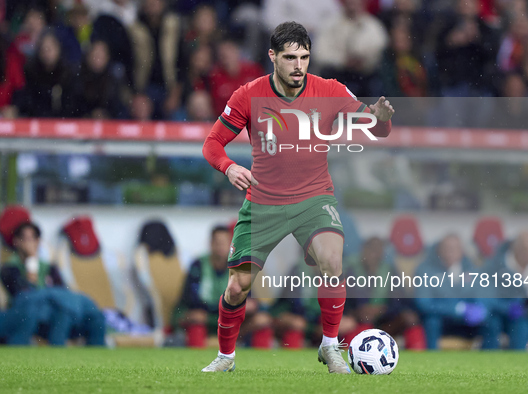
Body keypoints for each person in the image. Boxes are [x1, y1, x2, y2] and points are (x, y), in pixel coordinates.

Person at [201, 21, 394, 373]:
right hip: (263, 203)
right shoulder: (248, 95)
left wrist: (382, 120)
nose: (298, 66)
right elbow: (212, 144)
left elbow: (375, 126)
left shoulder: (330, 90)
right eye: (290, 57)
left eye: (304, 57)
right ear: (272, 56)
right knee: (236, 288)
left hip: (313, 198)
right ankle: (226, 357)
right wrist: (229, 167)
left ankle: (329, 346)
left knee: (333, 263)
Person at [0, 222, 105, 346]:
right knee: (63, 313)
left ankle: (97, 359)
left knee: (95, 316)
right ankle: (58, 355)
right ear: (17, 241)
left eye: (34, 238)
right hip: (31, 318)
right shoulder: (9, 268)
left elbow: (62, 293)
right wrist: (31, 263)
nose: (31, 243)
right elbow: (22, 295)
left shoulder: (49, 267)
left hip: (56, 315)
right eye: (26, 239)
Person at [174, 225, 273, 349]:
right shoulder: (198, 265)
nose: (221, 246)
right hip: (206, 317)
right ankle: (195, 362)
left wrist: (249, 305)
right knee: (196, 317)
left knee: (262, 320)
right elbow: (193, 301)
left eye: (224, 242)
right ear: (210, 244)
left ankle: (259, 365)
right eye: (217, 242)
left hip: (230, 318)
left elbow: (250, 300)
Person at [415, 234, 494, 350]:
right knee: (431, 322)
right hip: (442, 321)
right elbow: (424, 303)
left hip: (467, 323)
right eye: (446, 248)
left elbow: (483, 295)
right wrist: (457, 309)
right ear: (439, 251)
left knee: (492, 323)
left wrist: (482, 309)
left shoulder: (473, 270)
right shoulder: (425, 270)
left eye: (454, 248)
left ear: (462, 251)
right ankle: (431, 362)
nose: (450, 252)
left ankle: (489, 363)